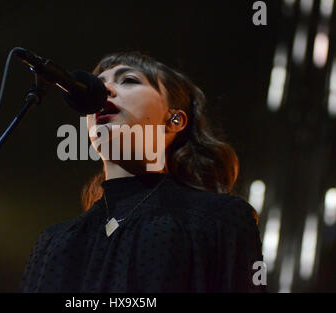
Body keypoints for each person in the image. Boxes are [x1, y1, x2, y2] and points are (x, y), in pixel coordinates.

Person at [20, 51, 266, 293]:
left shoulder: (220, 219)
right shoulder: (54, 242)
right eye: (98, 84)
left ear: (175, 120)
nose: (103, 91)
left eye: (128, 80)